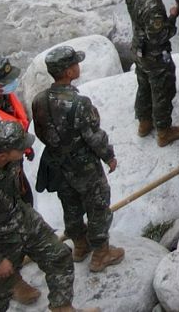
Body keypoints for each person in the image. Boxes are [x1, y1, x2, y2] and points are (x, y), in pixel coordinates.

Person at [0, 122, 99, 312]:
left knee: (59, 256)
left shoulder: (8, 160)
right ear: (3, 155)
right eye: (21, 147)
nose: (25, 148)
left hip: (23, 220)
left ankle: (62, 308)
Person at [33, 46, 123, 272]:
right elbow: (94, 136)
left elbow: (40, 132)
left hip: (58, 164)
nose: (78, 66)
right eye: (75, 64)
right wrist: (109, 156)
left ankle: (80, 245)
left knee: (70, 205)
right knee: (98, 205)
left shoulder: (39, 100)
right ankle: (101, 253)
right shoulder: (80, 102)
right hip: (84, 166)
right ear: (68, 72)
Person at [125, 0, 179, 146]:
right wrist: (172, 16)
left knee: (143, 86)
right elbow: (160, 35)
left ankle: (144, 123)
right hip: (155, 56)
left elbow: (140, 12)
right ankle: (164, 131)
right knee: (162, 91)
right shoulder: (152, 6)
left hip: (138, 49)